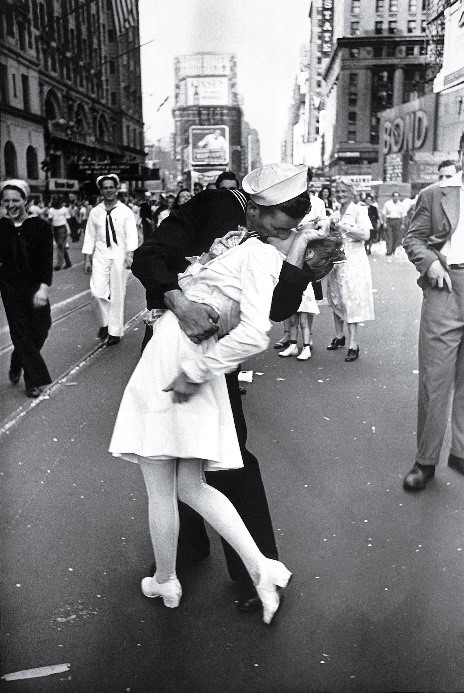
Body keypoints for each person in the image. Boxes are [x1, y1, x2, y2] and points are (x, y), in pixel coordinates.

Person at [110, 164, 318, 624]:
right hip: (176, 337)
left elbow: (273, 312)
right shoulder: (213, 206)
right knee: (179, 468)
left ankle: (248, 571)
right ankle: (185, 555)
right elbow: (149, 257)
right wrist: (179, 303)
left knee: (223, 460)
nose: (290, 227)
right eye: (286, 217)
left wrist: (301, 266)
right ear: (260, 207)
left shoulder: (274, 244)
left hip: (212, 357)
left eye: (298, 219)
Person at [402, 132, 464, 492]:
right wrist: (429, 264)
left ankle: (460, 452)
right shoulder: (435, 194)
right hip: (446, 288)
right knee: (435, 381)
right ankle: (425, 462)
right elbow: (413, 239)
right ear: (460, 154)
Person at [0, 180, 53, 398]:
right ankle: (33, 381)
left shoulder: (40, 227)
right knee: (20, 331)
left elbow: (46, 260)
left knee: (41, 327)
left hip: (34, 286)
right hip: (10, 287)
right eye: (6, 201)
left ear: (25, 201)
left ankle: (17, 359)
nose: (11, 205)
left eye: (15, 200)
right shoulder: (1, 227)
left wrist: (43, 288)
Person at [82, 174, 138, 346]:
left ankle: (115, 331)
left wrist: (130, 255)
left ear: (116, 189)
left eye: (111, 187)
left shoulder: (125, 211)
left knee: (117, 294)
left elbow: (131, 235)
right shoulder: (95, 212)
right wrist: (87, 259)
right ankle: (104, 324)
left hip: (119, 256)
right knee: (97, 293)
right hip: (100, 255)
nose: (108, 191)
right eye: (105, 188)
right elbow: (90, 236)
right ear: (101, 191)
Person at [276, 174, 328, 358]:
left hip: (309, 254)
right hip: (287, 251)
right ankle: (290, 339)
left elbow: (322, 225)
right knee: (289, 302)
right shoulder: (286, 201)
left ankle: (307, 340)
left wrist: (312, 227)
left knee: (306, 304)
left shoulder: (318, 203)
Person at [326, 177, 374, 362]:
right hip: (336, 261)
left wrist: (344, 228)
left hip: (354, 261)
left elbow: (365, 234)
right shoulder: (336, 212)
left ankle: (354, 344)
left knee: (351, 299)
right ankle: (339, 336)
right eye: (337, 191)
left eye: (344, 191)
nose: (340, 194)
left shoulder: (359, 210)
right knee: (336, 298)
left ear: (352, 193)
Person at [47, 196, 72, 270]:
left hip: (62, 228)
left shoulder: (64, 210)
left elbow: (69, 219)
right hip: (55, 228)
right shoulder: (51, 210)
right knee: (61, 246)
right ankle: (68, 262)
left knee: (60, 246)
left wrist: (69, 229)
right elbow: (50, 220)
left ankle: (59, 264)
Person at [381, 191, 405, 256]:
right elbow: (384, 214)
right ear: (392, 197)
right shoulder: (387, 204)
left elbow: (403, 215)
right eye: (395, 196)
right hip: (389, 221)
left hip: (398, 221)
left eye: (397, 196)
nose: (396, 198)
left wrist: (402, 224)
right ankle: (389, 250)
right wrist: (384, 223)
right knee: (389, 236)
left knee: (396, 236)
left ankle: (394, 249)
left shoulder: (401, 205)